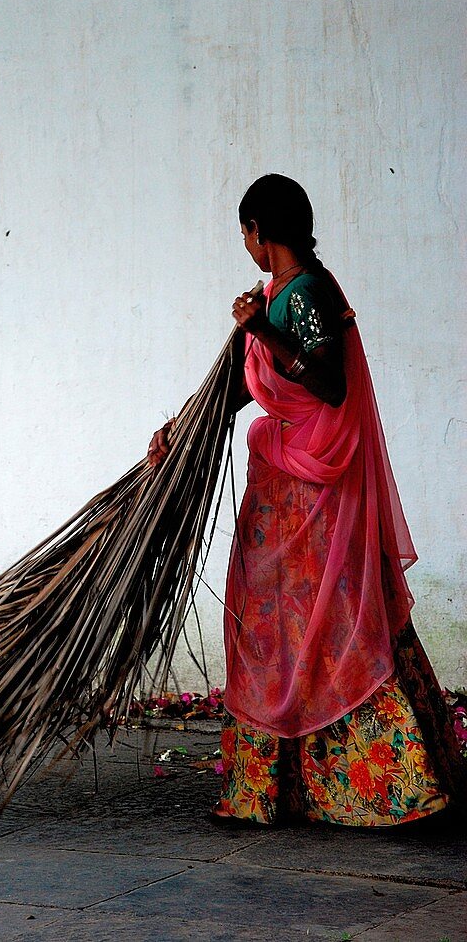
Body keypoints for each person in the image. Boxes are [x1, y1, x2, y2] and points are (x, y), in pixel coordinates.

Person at [148, 174, 465, 827]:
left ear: (262, 231)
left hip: (309, 494)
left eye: (245, 233)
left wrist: (265, 328)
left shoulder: (307, 294)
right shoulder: (276, 298)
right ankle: (272, 788)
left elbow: (327, 382)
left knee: (327, 618)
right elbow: (242, 388)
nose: (246, 245)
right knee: (273, 623)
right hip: (280, 493)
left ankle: (390, 782)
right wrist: (179, 430)